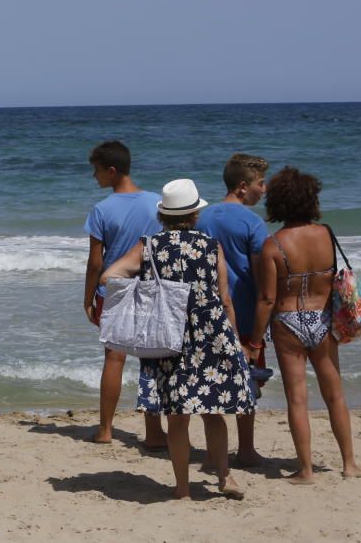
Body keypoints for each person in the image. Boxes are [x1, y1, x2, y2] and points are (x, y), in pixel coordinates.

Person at [102, 178, 255, 500]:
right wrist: (235, 338)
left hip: (168, 335)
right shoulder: (211, 246)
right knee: (213, 411)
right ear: (195, 214)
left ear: (163, 215)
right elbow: (225, 298)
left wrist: (145, 293)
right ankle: (225, 477)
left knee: (178, 417)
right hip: (211, 333)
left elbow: (110, 275)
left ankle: (182, 488)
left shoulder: (149, 246)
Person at [248, 167, 361, 484]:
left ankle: (306, 470)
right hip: (324, 319)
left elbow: (268, 300)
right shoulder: (327, 234)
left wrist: (255, 341)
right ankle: (350, 464)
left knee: (297, 398)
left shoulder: (273, 246)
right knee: (335, 395)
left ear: (279, 204)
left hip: (288, 322)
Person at [83, 141, 166, 448]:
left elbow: (95, 263)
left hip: (114, 288)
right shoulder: (157, 203)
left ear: (112, 171)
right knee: (151, 360)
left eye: (97, 170)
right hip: (150, 288)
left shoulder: (102, 209)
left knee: (114, 359)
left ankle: (106, 430)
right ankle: (155, 432)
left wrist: (88, 298)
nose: (95, 177)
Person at [196, 153, 270, 465]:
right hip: (244, 314)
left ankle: (215, 450)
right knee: (247, 379)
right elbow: (261, 277)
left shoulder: (202, 217)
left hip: (206, 313)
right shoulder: (253, 223)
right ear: (242, 187)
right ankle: (246, 448)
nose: (264, 190)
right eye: (260, 183)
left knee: (211, 380)